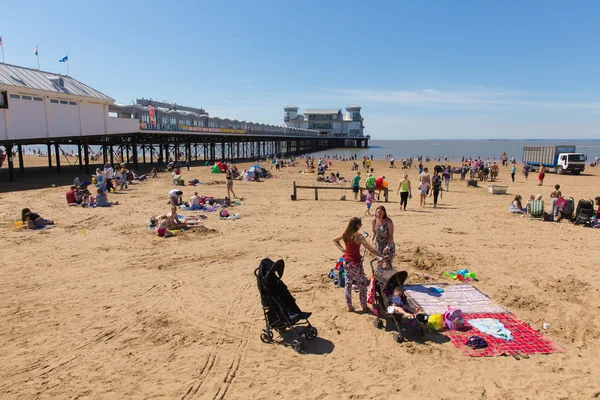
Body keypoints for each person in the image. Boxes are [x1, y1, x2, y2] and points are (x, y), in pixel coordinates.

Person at [333, 217, 386, 313]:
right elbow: (370, 248)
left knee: (348, 284)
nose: (361, 226)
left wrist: (342, 250)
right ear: (357, 225)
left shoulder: (346, 234)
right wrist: (382, 256)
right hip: (355, 263)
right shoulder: (358, 236)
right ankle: (364, 306)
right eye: (360, 224)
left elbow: (335, 240)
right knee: (361, 284)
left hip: (347, 263)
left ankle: (349, 306)